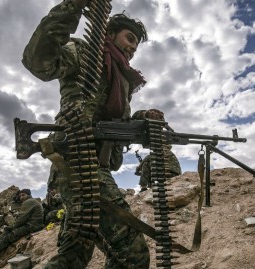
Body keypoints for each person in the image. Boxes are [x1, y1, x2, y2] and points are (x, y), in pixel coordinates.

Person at [22, 0, 164, 268]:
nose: (133, 47)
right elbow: (39, 62)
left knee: (72, 256)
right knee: (132, 257)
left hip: (92, 167)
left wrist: (142, 117)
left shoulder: (120, 78)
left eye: (136, 45)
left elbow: (115, 122)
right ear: (109, 34)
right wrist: (72, 7)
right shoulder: (86, 52)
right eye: (129, 38)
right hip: (78, 162)